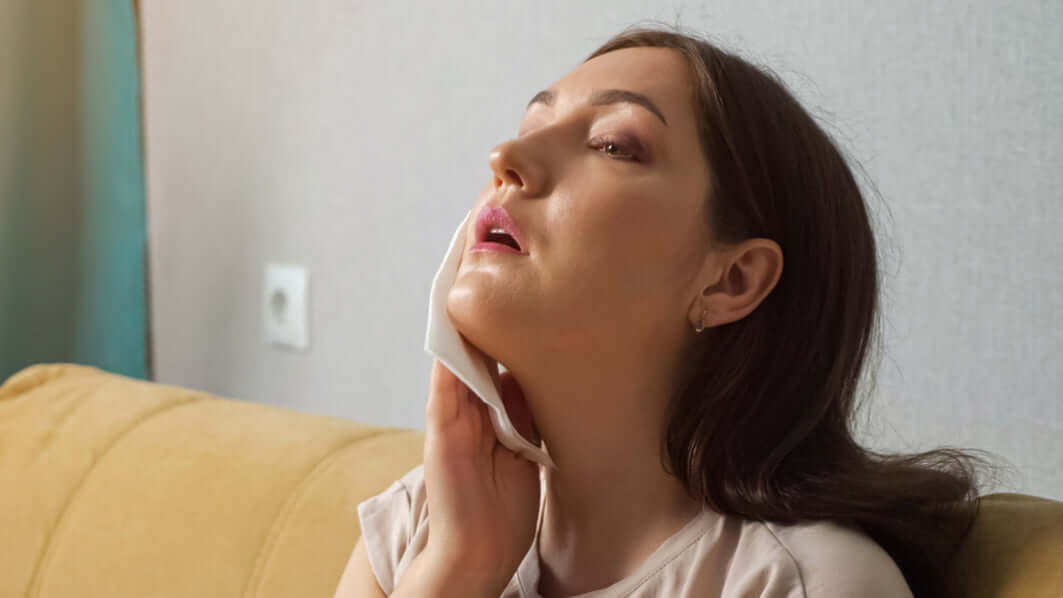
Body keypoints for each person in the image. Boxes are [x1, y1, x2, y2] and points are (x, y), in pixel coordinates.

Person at [334, 22, 998, 598]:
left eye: (612, 145)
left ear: (731, 280)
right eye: (528, 127)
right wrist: (456, 570)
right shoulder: (420, 526)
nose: (505, 159)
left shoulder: (800, 585)